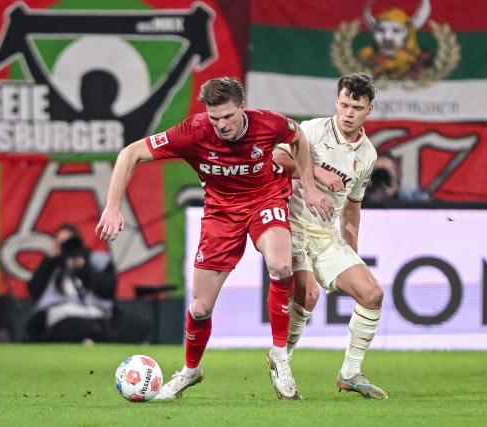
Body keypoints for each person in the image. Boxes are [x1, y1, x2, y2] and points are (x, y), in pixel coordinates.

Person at [96, 77, 331, 400]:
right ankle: (191, 370)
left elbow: (298, 137)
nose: (220, 125)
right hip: (221, 215)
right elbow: (130, 153)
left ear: (242, 108)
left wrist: (311, 185)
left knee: (280, 265)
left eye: (227, 117)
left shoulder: (268, 123)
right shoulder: (193, 132)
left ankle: (279, 356)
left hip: (266, 200)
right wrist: (112, 207)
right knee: (200, 308)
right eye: (214, 117)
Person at [274, 73, 388, 400]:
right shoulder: (311, 131)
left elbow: (352, 208)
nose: (348, 112)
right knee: (308, 295)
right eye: (344, 104)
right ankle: (283, 360)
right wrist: (315, 172)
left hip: (324, 234)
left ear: (369, 109)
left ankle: (350, 373)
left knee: (372, 294)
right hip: (292, 225)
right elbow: (277, 157)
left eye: (357, 107)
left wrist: (351, 252)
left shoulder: (367, 155)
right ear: (336, 102)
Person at [27, 223, 142, 343]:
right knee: (72, 326)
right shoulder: (52, 263)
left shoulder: (96, 260)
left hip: (94, 315)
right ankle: (90, 337)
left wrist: (83, 269)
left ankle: (91, 337)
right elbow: (34, 291)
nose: (66, 247)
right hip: (60, 317)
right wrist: (49, 261)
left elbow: (108, 290)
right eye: (61, 243)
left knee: (132, 326)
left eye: (69, 243)